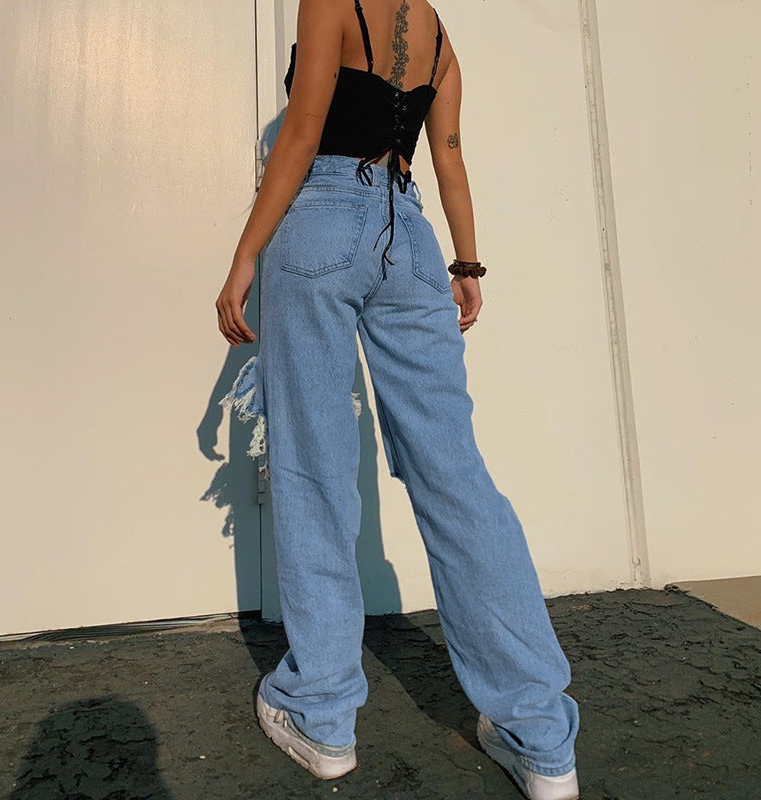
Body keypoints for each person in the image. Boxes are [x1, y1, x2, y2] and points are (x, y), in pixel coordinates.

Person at [214, 1, 580, 798]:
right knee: (454, 473)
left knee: (315, 469)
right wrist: (467, 267)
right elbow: (449, 159)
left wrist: (245, 257)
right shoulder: (439, 35)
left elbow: (302, 135)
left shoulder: (331, 3)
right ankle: (541, 737)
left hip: (319, 223)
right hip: (411, 239)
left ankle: (321, 713)